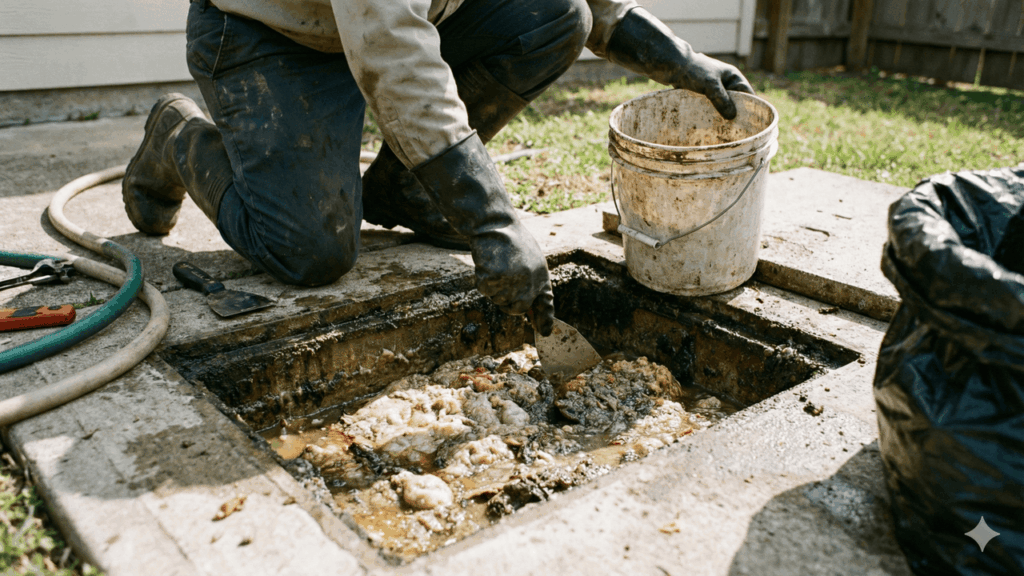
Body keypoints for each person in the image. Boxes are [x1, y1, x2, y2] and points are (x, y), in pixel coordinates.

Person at [123, 0, 754, 337]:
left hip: (407, 18)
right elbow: (399, 64)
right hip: (271, 35)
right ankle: (178, 137)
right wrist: (491, 222)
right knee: (310, 253)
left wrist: (681, 59)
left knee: (556, 14)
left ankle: (406, 190)